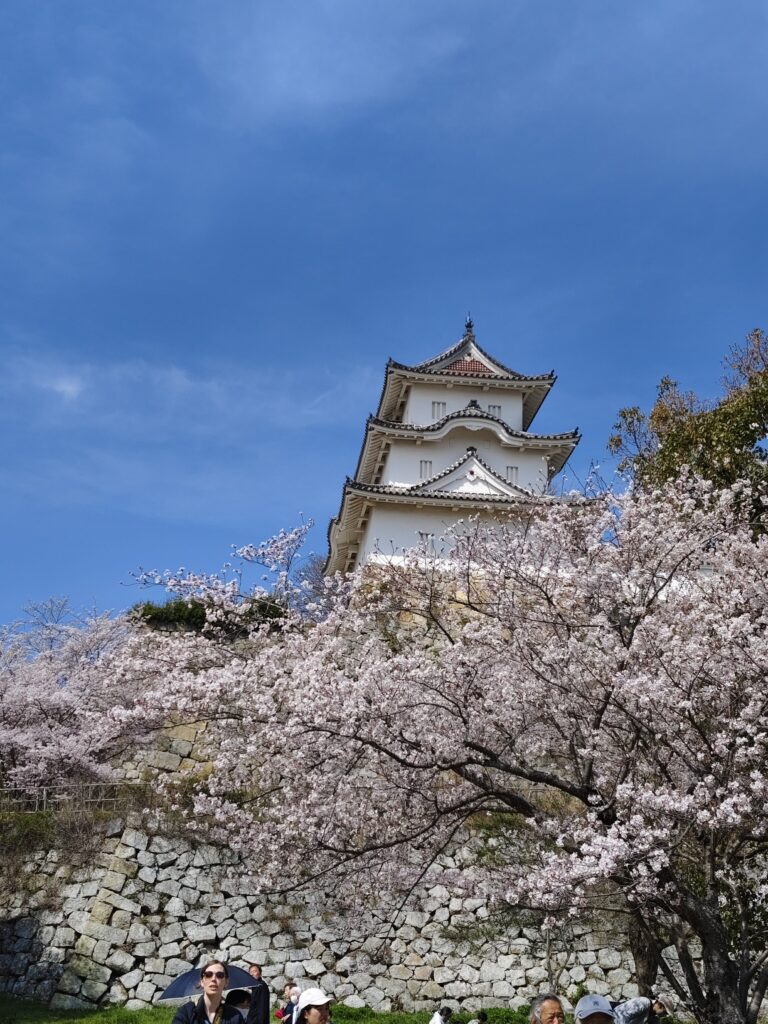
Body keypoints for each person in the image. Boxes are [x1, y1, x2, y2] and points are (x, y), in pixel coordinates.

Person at [172, 960, 244, 1024]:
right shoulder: (186, 1013)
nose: (213, 979)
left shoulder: (235, 1016)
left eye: (220, 975)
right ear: (202, 982)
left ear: (226, 982)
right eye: (208, 974)